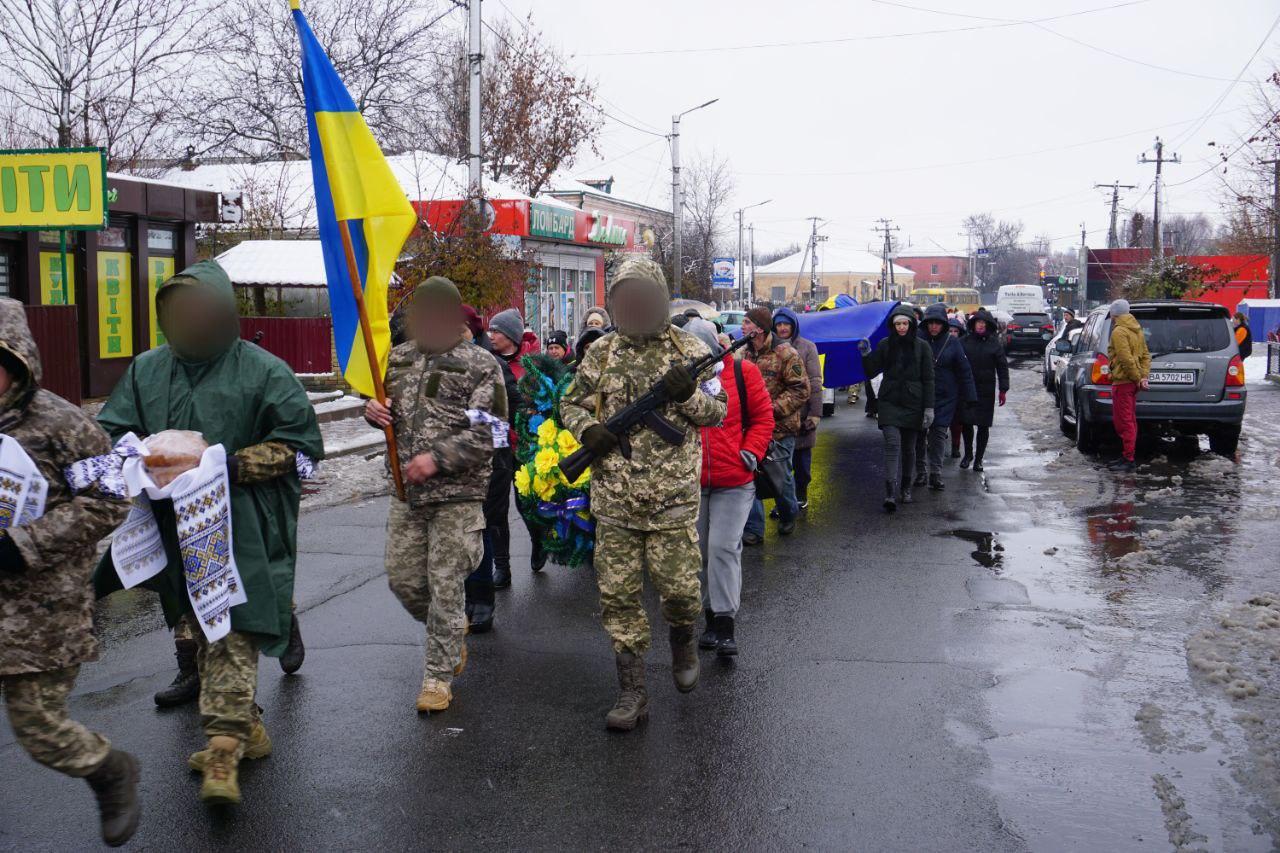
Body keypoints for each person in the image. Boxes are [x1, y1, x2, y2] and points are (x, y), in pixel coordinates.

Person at [95, 260, 324, 805]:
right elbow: (111, 429)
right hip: (172, 526)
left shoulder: (264, 371)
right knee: (199, 626)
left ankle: (223, 746)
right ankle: (248, 726)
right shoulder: (148, 370)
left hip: (241, 523)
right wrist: (131, 457)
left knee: (228, 626)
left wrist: (229, 466)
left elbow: (302, 449)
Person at [560, 256, 726, 732]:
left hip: (672, 501)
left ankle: (682, 639)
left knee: (679, 592)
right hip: (614, 500)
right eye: (624, 298)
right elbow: (569, 401)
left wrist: (685, 396)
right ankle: (632, 692)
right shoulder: (602, 353)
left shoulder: (689, 347)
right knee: (618, 598)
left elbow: (716, 411)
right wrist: (588, 429)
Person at [0, 300, 139, 846]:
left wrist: (23, 545)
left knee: (39, 729)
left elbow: (110, 500)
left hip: (40, 614)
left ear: (16, 362)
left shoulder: (63, 424)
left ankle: (109, 769)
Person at [364, 277, 505, 713]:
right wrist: (372, 412)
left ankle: (437, 677)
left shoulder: (481, 364)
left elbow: (492, 433)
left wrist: (438, 458)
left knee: (445, 583)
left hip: (457, 495)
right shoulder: (397, 359)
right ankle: (449, 628)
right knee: (404, 580)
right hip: (407, 493)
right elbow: (382, 411)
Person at [688, 318, 773, 658]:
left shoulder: (742, 373)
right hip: (691, 482)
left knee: (723, 548)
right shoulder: (680, 380)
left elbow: (764, 418)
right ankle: (709, 618)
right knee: (700, 552)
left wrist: (750, 451)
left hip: (734, 479)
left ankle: (724, 625)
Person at [462, 304, 522, 633]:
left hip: (493, 457)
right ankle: (469, 595)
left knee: (488, 519)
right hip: (453, 464)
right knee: (464, 530)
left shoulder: (493, 364)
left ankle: (490, 583)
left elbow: (510, 405)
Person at [486, 308, 546, 579]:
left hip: (526, 444)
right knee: (495, 509)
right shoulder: (487, 362)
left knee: (525, 502)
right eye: (490, 331)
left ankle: (538, 541)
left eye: (496, 331)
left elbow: (545, 400)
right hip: (498, 446)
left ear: (511, 335)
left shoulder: (532, 365)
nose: (491, 336)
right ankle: (502, 566)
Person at [740, 306, 808, 543]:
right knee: (749, 476)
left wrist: (768, 410)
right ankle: (754, 529)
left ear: (759, 328)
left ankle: (789, 513)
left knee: (781, 478)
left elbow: (801, 390)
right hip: (749, 430)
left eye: (747, 323)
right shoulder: (743, 353)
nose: (742, 327)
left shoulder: (786, 354)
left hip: (780, 429)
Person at [859, 307, 935, 511]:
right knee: (893, 445)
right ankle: (890, 493)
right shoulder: (886, 345)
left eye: (905, 323)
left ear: (911, 324)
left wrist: (929, 408)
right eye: (897, 324)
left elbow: (928, 379)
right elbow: (872, 370)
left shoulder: (922, 347)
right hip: (890, 401)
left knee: (909, 449)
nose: (901, 327)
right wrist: (866, 354)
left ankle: (905, 489)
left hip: (914, 403)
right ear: (893, 326)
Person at [913, 305, 976, 491]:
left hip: (945, 396)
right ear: (926, 324)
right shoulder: (918, 339)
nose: (934, 327)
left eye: (937, 323)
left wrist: (970, 395)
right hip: (921, 395)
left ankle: (935, 473)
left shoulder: (952, 342)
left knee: (939, 434)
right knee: (919, 434)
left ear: (943, 324)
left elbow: (964, 370)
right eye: (930, 323)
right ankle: (921, 472)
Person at [772, 307, 822, 509]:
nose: (782, 328)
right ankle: (784, 502)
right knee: (779, 465)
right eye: (779, 324)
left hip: (802, 416)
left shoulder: (807, 347)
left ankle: (801, 493)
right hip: (777, 416)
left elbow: (815, 382)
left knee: (802, 464)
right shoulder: (770, 349)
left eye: (786, 324)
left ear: (793, 325)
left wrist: (815, 414)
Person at [959, 308, 1010, 473]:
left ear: (988, 326)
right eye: (978, 323)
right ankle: (967, 454)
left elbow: (1002, 367)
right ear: (973, 325)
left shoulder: (994, 344)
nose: (980, 326)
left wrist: (1003, 389)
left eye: (983, 323)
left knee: (983, 426)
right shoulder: (964, 342)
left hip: (986, 390)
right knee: (966, 423)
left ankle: (979, 459)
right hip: (967, 388)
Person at [1106, 299, 1150, 472]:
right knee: (1129, 419)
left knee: (1123, 421)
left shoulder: (1119, 331)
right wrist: (1142, 377)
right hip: (1131, 382)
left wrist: (1137, 377)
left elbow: (1125, 358)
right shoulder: (1137, 329)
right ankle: (1127, 455)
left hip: (1123, 382)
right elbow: (1146, 355)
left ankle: (1128, 458)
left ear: (1114, 313)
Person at [948, 317, 966, 458]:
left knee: (957, 422)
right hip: (942, 388)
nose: (953, 333)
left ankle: (955, 447)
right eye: (950, 331)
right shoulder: (938, 345)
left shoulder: (963, 347)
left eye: (955, 331)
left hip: (958, 389)